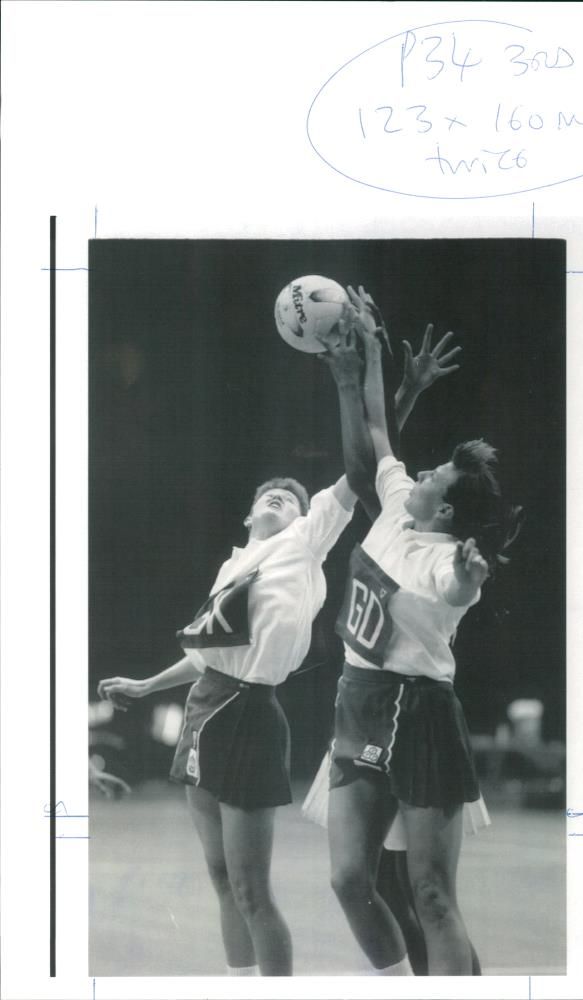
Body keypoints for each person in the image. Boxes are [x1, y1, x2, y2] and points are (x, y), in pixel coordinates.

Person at [96, 310, 456, 977]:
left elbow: (363, 467)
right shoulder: (234, 564)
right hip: (206, 706)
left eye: (289, 496)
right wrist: (145, 687)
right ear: (247, 512)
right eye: (269, 493)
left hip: (253, 716)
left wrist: (400, 394)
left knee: (252, 889)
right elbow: (207, 656)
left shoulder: (304, 543)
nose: (278, 497)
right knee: (217, 877)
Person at [321, 286, 522, 976]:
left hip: (421, 711)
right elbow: (377, 430)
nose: (421, 469)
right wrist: (368, 349)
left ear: (447, 504)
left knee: (432, 894)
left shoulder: (445, 562)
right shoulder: (396, 508)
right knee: (351, 879)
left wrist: (471, 573)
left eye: (434, 473)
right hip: (360, 699)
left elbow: (458, 590)